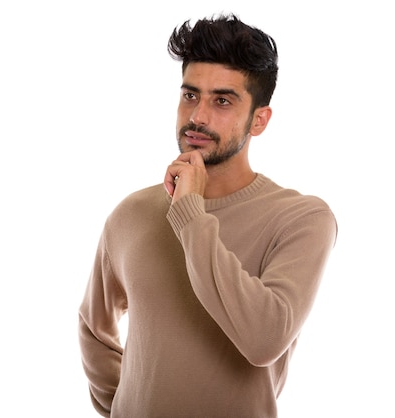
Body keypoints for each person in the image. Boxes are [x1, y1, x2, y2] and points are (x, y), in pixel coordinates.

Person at [78, 13, 337, 418]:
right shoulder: (131, 213)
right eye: (190, 95)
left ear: (259, 120)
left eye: (222, 100)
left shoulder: (302, 218)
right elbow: (95, 328)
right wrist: (124, 406)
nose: (198, 116)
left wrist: (189, 213)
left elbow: (264, 339)